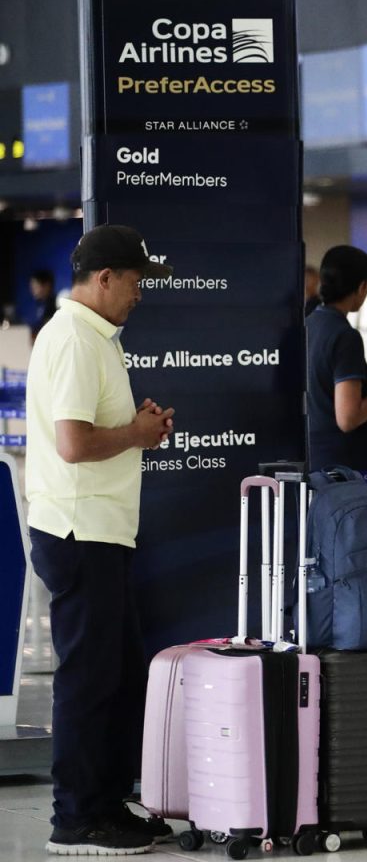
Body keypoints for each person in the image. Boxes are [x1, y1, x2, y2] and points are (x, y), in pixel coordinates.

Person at [26, 225, 178, 855]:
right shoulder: (74, 340)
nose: (141, 293)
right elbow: (73, 443)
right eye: (136, 281)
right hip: (80, 529)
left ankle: (107, 804)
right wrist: (137, 436)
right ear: (105, 278)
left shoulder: (97, 338)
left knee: (115, 675)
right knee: (89, 680)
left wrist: (134, 426)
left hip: (102, 531)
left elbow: (93, 430)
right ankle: (76, 818)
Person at [304, 246, 367, 472]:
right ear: (362, 287)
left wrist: (361, 372)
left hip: (315, 457)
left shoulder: (309, 324)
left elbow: (321, 375)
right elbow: (348, 418)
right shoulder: (345, 336)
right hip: (349, 466)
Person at [28, 269, 58, 340]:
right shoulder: (41, 304)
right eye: (32, 287)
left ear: (47, 285)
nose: (33, 291)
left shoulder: (54, 305)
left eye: (35, 287)